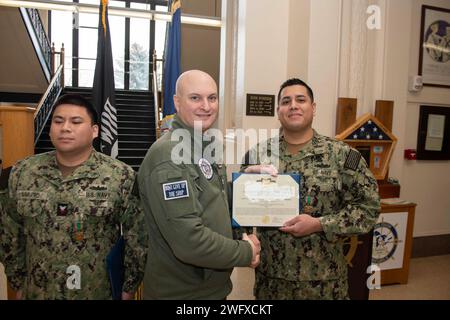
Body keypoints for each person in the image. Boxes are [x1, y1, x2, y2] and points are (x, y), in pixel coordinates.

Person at [242, 78, 380, 299]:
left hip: (324, 283)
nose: (293, 105)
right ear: (278, 110)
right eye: (286, 101)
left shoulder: (342, 156)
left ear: (313, 108)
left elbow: (369, 209)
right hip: (271, 284)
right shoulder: (256, 156)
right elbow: (242, 213)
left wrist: (319, 224)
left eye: (301, 100)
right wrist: (245, 241)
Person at [0, 94, 148, 299]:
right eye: (58, 121)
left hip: (95, 291)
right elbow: (9, 234)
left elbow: (137, 237)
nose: (65, 128)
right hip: (38, 291)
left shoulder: (120, 176)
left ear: (94, 130)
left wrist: (128, 288)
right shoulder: (22, 173)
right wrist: (17, 283)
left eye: (76, 122)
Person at [138, 70, 260, 300]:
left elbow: (213, 197)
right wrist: (245, 251)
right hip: (182, 294)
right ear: (177, 101)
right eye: (195, 98)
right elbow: (189, 241)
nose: (206, 105)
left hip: (208, 289)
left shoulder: (201, 145)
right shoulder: (169, 156)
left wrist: (248, 182)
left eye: (212, 98)